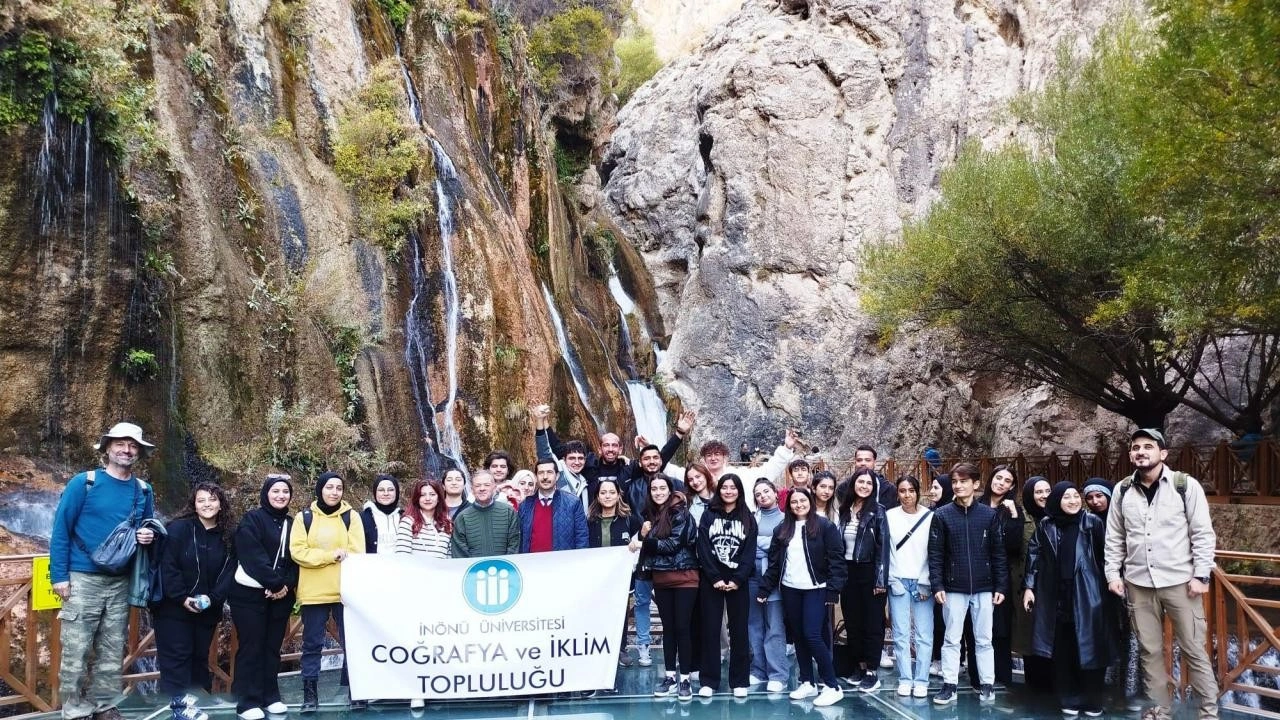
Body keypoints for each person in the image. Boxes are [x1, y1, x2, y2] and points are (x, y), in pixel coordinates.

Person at [1105, 428, 1219, 720]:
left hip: (1181, 582)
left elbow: (1203, 533)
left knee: (1194, 648)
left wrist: (1201, 576)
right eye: (1135, 447)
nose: (1140, 451)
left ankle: (1208, 713)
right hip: (1138, 583)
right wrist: (1112, 574)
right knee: (1149, 652)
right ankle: (1160, 710)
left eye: (1148, 446)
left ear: (1163, 453)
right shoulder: (1121, 491)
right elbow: (1114, 537)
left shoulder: (1185, 485)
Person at [50, 422, 157, 720]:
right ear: (107, 448)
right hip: (82, 578)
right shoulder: (83, 483)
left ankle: (104, 704)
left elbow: (146, 529)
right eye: (121, 444)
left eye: (133, 445)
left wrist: (147, 536)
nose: (127, 449)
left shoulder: (143, 490)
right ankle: (73, 709)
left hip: (121, 581)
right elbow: (61, 531)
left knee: (111, 649)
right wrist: (59, 576)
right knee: (76, 646)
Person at [1024, 482, 1115, 716]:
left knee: (1090, 647)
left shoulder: (1092, 522)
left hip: (1088, 595)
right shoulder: (1046, 525)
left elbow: (1107, 556)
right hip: (1056, 596)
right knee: (1063, 650)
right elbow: (1034, 556)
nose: (1074, 500)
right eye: (1067, 497)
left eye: (1076, 496)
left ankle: (1093, 700)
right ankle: (1069, 698)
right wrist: (1029, 587)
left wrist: (1111, 584)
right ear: (1057, 500)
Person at [756, 487, 846, 708]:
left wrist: (833, 590)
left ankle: (832, 685)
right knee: (798, 636)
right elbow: (775, 564)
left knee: (812, 635)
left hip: (816, 588)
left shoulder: (825, 526)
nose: (798, 505)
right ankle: (807, 681)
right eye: (794, 502)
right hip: (790, 588)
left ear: (810, 501)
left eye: (802, 500)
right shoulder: (782, 529)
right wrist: (765, 589)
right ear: (788, 505)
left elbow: (837, 560)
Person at [927, 462, 1007, 706]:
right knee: (951, 639)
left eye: (963, 481)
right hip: (952, 587)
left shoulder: (989, 515)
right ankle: (949, 685)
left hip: (984, 587)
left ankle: (987, 684)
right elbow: (935, 554)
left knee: (984, 638)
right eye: (955, 482)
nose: (958, 485)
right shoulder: (942, 515)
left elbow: (998, 553)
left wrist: (1001, 586)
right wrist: (937, 585)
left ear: (976, 484)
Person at [154, 483, 235, 720]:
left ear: (221, 503)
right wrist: (181, 597)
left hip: (208, 609)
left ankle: (197, 705)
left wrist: (214, 598)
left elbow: (230, 571)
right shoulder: (178, 529)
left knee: (199, 658)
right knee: (176, 659)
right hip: (173, 608)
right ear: (194, 504)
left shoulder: (228, 535)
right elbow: (167, 566)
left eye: (212, 499)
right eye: (201, 500)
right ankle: (179, 711)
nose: (207, 504)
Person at [289, 471, 366, 712]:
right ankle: (310, 695)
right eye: (329, 487)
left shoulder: (351, 517)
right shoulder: (305, 518)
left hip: (345, 590)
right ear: (320, 489)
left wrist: (333, 556)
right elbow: (298, 552)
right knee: (312, 645)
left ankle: (358, 691)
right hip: (314, 592)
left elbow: (356, 551)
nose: (334, 492)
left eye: (338, 488)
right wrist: (330, 555)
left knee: (351, 643)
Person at [231, 474, 297, 720]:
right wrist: (275, 582)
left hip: (281, 596)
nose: (281, 496)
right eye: (275, 491)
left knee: (272, 647)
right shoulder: (252, 519)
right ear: (266, 493)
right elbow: (251, 555)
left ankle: (270, 696)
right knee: (251, 647)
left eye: (285, 492)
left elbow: (296, 558)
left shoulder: (294, 523)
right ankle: (247, 701)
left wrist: (286, 586)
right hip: (249, 595)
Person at [633, 475, 699, 701]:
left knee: (682, 627)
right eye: (654, 489)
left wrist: (644, 541)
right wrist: (644, 535)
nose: (658, 492)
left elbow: (673, 544)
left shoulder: (679, 512)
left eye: (662, 488)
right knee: (669, 628)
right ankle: (670, 675)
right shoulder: (651, 515)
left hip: (684, 576)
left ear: (670, 490)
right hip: (661, 578)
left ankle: (686, 678)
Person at [695, 474, 757, 698]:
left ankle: (739, 681)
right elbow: (702, 547)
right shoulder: (708, 514)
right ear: (719, 490)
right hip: (712, 580)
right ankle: (709, 681)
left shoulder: (748, 517)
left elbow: (749, 552)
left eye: (733, 488)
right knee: (710, 630)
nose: (728, 491)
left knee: (739, 631)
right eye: (724, 487)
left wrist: (738, 579)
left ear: (739, 491)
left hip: (738, 582)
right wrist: (714, 578)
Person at [964, 465, 1023, 689]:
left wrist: (1015, 515)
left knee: (1000, 628)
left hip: (1001, 574)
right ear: (991, 480)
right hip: (976, 572)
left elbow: (1015, 546)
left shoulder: (1012, 509)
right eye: (998, 478)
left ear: (1012, 486)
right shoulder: (975, 504)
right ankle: (977, 677)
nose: (1001, 483)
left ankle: (1002, 676)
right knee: (974, 627)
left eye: (1007, 481)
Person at [586, 478, 643, 692]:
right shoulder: (590, 520)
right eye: (603, 492)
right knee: (597, 614)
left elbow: (642, 540)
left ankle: (620, 649)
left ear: (618, 495)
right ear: (597, 496)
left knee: (620, 614)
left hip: (621, 578)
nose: (607, 496)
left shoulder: (630, 519)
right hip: (596, 579)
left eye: (612, 492)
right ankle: (598, 650)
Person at [837, 469, 890, 691]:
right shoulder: (844, 510)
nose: (865, 486)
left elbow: (883, 547)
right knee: (853, 622)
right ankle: (859, 665)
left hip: (870, 571)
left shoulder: (878, 511)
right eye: (861, 481)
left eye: (869, 483)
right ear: (853, 484)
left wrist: (880, 580)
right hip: (848, 572)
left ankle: (871, 670)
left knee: (872, 624)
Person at [886, 475, 933, 698]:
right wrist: (891, 579)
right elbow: (887, 552)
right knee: (901, 633)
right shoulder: (889, 516)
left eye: (911, 490)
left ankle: (922, 679)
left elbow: (934, 552)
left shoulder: (930, 517)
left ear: (918, 491)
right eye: (902, 491)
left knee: (924, 634)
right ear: (897, 493)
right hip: (898, 580)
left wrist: (928, 581)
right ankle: (905, 677)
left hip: (923, 581)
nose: (907, 495)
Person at [748, 479, 789, 693]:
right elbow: (745, 544)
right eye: (758, 493)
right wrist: (769, 542)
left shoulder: (785, 519)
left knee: (774, 625)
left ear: (775, 493)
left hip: (773, 578)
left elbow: (782, 546)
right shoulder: (751, 518)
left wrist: (759, 543)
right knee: (753, 624)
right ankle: (758, 670)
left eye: (766, 491)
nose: (762, 496)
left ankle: (778, 674)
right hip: (750, 576)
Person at [1015, 475, 1054, 692]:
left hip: (1053, 585)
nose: (1044, 496)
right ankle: (1034, 687)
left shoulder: (1059, 515)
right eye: (1039, 492)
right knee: (1030, 636)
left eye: (1047, 491)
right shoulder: (1022, 517)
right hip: (1027, 585)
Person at [699, 428, 801, 508]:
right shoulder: (698, 480)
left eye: (717, 454)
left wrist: (786, 448)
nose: (713, 458)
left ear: (724, 457)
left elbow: (767, 471)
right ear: (704, 458)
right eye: (709, 455)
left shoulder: (739, 475)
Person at [518, 459, 589, 552]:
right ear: (535, 477)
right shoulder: (525, 505)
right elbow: (519, 539)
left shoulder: (573, 503)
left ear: (557, 476)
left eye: (550, 472)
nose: (545, 477)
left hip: (562, 563)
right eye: (541, 473)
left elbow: (582, 537)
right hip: (532, 563)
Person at [531, 405, 590, 510]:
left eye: (580, 458)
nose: (577, 462)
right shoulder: (559, 472)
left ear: (585, 460)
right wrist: (539, 421)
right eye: (572, 458)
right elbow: (544, 451)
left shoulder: (583, 480)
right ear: (564, 459)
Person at [450, 470, 520, 558]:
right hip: (473, 570)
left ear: (494, 488)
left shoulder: (509, 512)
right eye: (477, 485)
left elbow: (514, 545)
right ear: (472, 490)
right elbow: (460, 553)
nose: (482, 488)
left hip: (505, 569)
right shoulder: (462, 517)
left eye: (487, 485)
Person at [927, 474, 953, 677]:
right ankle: (937, 658)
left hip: (950, 574)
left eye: (937, 487)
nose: (932, 491)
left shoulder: (952, 513)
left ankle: (952, 660)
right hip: (932, 573)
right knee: (936, 619)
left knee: (948, 620)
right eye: (931, 487)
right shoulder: (930, 512)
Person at [395, 478, 453, 560]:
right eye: (422, 495)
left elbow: (449, 557)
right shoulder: (408, 522)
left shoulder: (447, 523)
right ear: (417, 498)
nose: (428, 498)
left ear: (439, 498)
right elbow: (402, 556)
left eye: (432, 494)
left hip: (441, 572)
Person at [359, 474, 401, 554]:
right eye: (381, 490)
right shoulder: (362, 517)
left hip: (399, 565)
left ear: (397, 492)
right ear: (375, 492)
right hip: (373, 565)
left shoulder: (405, 517)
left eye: (391, 490)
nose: (386, 493)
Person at [853, 445, 898, 509]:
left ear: (875, 463)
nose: (863, 463)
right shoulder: (844, 487)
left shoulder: (888, 489)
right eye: (859, 460)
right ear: (855, 462)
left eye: (867, 460)